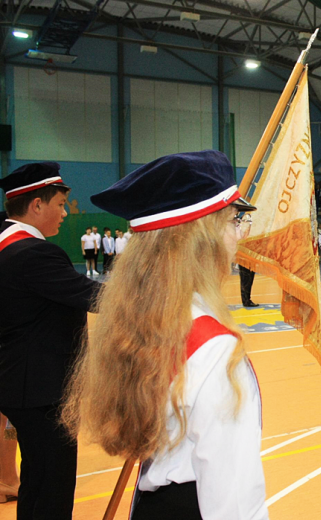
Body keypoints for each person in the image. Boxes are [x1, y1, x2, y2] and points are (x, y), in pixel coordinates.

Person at [62, 150, 268, 519]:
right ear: (202, 238)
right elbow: (235, 506)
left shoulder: (143, 319)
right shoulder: (216, 349)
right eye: (235, 219)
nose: (241, 232)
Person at [0, 162, 101, 519]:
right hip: (42, 391)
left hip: (22, 386)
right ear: (36, 205)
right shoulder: (34, 253)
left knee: (37, 483)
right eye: (59, 204)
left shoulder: (7, 245)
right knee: (51, 492)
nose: (63, 213)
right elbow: (94, 297)